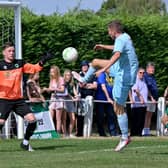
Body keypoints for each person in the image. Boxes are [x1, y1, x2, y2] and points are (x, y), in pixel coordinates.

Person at [72, 20, 139, 151]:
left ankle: (125, 137)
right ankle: (83, 80)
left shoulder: (120, 39)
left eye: (109, 31)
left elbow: (117, 54)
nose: (108, 33)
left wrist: (104, 69)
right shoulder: (125, 37)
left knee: (118, 107)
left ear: (114, 31)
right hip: (121, 70)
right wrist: (103, 46)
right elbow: (117, 49)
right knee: (95, 62)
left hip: (124, 76)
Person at [0, 42, 53, 151]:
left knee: (32, 120)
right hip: (4, 100)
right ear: (3, 53)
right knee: (1, 122)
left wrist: (44, 60)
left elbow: (34, 68)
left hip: (18, 100)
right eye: (9, 51)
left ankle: (25, 143)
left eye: (13, 51)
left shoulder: (20, 63)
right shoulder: (0, 65)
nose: (12, 53)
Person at [42, 65, 67, 136]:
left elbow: (62, 90)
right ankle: (50, 132)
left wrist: (55, 89)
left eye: (52, 72)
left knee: (58, 118)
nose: (51, 73)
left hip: (59, 100)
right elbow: (50, 90)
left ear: (56, 72)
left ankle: (58, 133)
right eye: (50, 72)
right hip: (53, 99)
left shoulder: (61, 79)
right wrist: (47, 89)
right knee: (50, 117)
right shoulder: (51, 80)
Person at [76, 60, 97, 137]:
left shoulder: (92, 75)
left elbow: (95, 86)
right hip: (81, 97)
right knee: (80, 115)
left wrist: (85, 85)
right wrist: (89, 85)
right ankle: (79, 133)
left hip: (89, 97)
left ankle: (87, 133)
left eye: (85, 66)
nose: (84, 67)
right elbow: (80, 85)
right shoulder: (80, 74)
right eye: (83, 66)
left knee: (88, 116)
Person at [95, 72, 117, 136]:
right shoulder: (102, 75)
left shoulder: (111, 76)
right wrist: (108, 98)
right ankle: (101, 133)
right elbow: (103, 87)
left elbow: (112, 86)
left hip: (110, 100)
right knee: (100, 117)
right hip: (101, 100)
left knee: (111, 116)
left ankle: (113, 133)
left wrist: (113, 98)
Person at [129, 68, 148, 136]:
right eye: (140, 72)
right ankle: (134, 134)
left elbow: (146, 90)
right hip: (137, 105)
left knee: (141, 121)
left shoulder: (144, 80)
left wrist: (151, 98)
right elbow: (135, 90)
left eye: (143, 73)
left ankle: (139, 134)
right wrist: (141, 98)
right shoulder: (135, 80)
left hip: (143, 105)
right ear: (137, 73)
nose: (142, 74)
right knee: (135, 121)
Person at [142, 62, 158, 136]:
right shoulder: (145, 76)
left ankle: (147, 131)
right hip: (148, 98)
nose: (153, 69)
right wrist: (151, 98)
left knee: (150, 115)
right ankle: (144, 131)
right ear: (147, 69)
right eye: (152, 68)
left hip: (153, 99)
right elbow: (146, 88)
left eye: (153, 68)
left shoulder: (153, 77)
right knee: (146, 115)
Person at [63, 69, 78, 137]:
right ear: (65, 76)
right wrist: (72, 98)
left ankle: (70, 133)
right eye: (67, 75)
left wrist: (77, 96)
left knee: (73, 118)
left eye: (69, 75)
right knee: (64, 118)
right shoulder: (63, 82)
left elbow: (75, 92)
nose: (68, 77)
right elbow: (66, 92)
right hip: (64, 100)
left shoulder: (72, 83)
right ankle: (64, 133)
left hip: (70, 102)